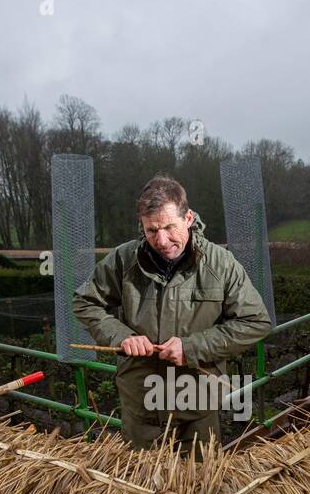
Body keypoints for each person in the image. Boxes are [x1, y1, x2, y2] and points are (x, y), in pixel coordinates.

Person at [73, 174, 272, 452]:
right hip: (141, 406)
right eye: (151, 230)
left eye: (169, 227)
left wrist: (192, 347)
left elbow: (256, 322)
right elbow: (84, 302)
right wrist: (121, 336)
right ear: (142, 225)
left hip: (198, 406)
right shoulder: (122, 260)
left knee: (200, 487)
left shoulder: (221, 264)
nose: (162, 240)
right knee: (142, 488)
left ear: (188, 218)